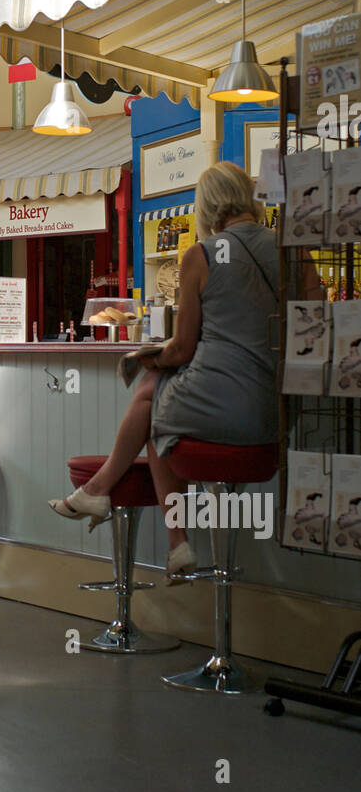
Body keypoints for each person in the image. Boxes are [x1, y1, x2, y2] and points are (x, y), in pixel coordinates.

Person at [49, 162, 282, 581]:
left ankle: (155, 527)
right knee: (157, 395)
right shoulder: (287, 247)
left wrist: (146, 356)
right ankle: (111, 501)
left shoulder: (201, 255)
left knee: (158, 414)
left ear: (207, 205)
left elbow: (183, 347)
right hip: (272, 417)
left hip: (220, 406)